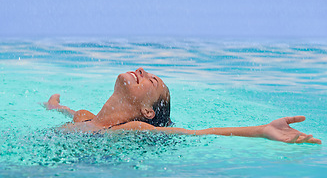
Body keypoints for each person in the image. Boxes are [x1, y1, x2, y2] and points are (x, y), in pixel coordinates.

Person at [43, 68, 322, 144]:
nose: (140, 70)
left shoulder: (131, 128)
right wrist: (54, 103)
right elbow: (62, 110)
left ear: (147, 112)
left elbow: (198, 133)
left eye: (150, 80)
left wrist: (262, 130)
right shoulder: (82, 117)